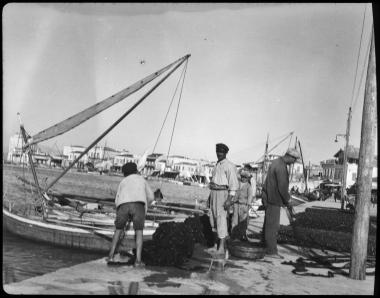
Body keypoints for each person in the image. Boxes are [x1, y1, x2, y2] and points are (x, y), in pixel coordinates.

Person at [107, 162, 154, 267]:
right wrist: (146, 205)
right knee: (139, 232)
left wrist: (119, 210)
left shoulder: (123, 181)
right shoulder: (142, 180)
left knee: (118, 230)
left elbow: (117, 199)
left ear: (124, 173)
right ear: (136, 171)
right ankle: (138, 260)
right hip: (138, 204)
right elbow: (151, 197)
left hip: (123, 205)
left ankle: (110, 255)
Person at [261, 148, 300, 259]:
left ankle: (264, 247)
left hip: (269, 197)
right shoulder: (281, 167)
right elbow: (282, 187)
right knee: (273, 226)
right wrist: (288, 200)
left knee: (268, 224)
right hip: (273, 199)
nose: (294, 162)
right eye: (294, 160)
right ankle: (271, 252)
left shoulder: (276, 162)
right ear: (290, 156)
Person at [208, 143, 239, 257]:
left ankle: (221, 247)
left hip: (223, 194)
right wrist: (209, 198)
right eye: (217, 152)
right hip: (214, 193)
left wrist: (229, 200)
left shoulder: (230, 166)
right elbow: (213, 182)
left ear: (225, 153)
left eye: (221, 152)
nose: (218, 154)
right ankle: (215, 245)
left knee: (221, 220)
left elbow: (233, 185)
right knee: (213, 219)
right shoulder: (216, 165)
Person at [231, 170, 254, 241]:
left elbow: (250, 196)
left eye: (245, 177)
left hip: (244, 205)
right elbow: (233, 192)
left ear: (247, 178)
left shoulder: (249, 186)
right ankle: (233, 235)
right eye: (242, 177)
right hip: (236, 204)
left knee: (243, 222)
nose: (243, 178)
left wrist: (248, 205)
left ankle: (242, 236)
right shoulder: (237, 184)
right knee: (234, 221)